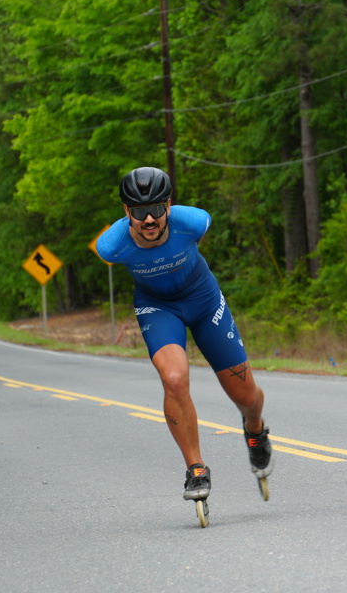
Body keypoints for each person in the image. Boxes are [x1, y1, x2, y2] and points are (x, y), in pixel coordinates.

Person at [96, 167, 273, 503]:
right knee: (174, 379)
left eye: (157, 210)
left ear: (169, 206)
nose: (149, 220)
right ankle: (196, 469)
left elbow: (195, 241)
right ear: (125, 212)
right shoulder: (111, 245)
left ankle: (255, 430)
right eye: (138, 212)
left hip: (202, 298)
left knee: (247, 396)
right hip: (158, 306)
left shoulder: (192, 222)